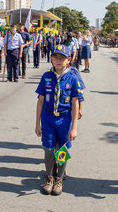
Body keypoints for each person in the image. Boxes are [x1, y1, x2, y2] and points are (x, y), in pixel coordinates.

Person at [35, 44, 82, 195]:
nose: (58, 60)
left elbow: (75, 102)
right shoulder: (46, 76)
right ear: (51, 59)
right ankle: (49, 177)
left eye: (62, 58)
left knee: (62, 150)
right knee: (48, 150)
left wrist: (74, 127)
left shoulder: (72, 78)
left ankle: (59, 178)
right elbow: (40, 100)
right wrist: (37, 123)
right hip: (48, 118)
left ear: (68, 60)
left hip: (64, 120)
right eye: (55, 57)